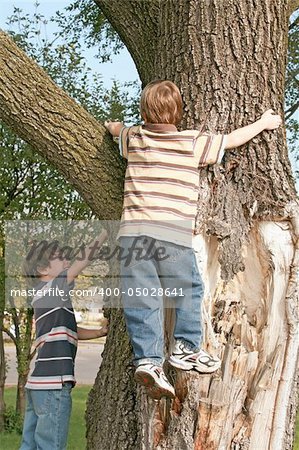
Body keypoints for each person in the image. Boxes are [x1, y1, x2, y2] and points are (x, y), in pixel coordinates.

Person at [105, 80, 282, 400]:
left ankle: (148, 360)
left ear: (144, 112)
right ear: (178, 113)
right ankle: (185, 348)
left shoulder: (136, 138)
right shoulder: (191, 142)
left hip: (133, 236)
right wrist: (264, 123)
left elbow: (118, 130)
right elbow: (231, 140)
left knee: (141, 297)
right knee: (189, 288)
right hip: (172, 235)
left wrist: (112, 126)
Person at [19, 230, 108, 450]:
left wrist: (98, 332)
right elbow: (82, 261)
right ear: (43, 269)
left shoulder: (42, 297)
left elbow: (69, 330)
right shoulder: (53, 288)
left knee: (29, 446)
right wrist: (104, 233)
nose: (67, 260)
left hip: (37, 385)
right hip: (52, 385)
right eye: (61, 257)